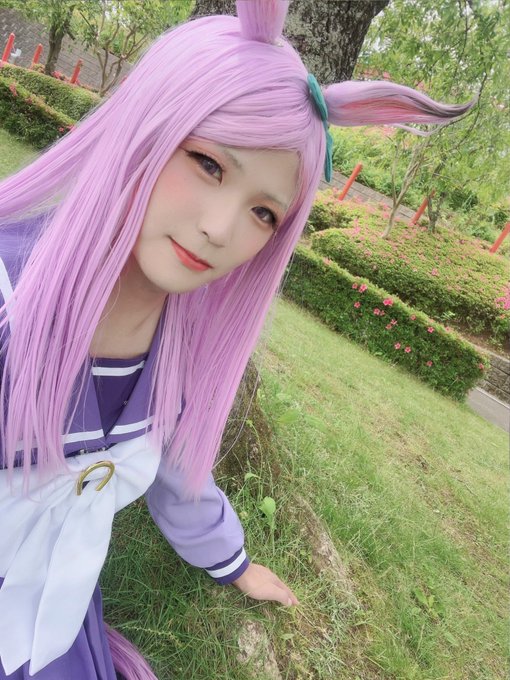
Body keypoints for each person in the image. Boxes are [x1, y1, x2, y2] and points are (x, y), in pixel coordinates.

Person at [0, 0, 475, 678]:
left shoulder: (176, 355)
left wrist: (235, 563)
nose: (221, 229)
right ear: (148, 126)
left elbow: (179, 474)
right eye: (208, 164)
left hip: (54, 619)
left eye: (263, 213)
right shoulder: (9, 295)